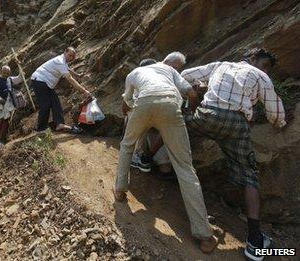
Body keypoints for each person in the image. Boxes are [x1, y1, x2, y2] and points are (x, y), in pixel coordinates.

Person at [181, 48, 286, 260]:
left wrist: (197, 89)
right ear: (252, 58)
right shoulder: (261, 76)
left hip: (207, 115)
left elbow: (185, 75)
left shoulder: (221, 65)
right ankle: (255, 240)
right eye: (264, 64)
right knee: (250, 176)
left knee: (177, 123)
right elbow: (275, 112)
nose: (265, 69)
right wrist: (280, 122)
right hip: (237, 125)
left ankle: (147, 159)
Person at [115, 52, 218, 253]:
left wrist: (134, 114)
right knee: (185, 168)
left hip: (143, 103)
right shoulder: (169, 71)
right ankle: (205, 236)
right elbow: (192, 94)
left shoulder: (134, 72)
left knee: (127, 146)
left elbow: (126, 102)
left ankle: (120, 190)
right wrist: (189, 111)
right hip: (171, 105)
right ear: (166, 63)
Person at [30, 47, 91, 133]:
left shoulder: (63, 61)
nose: (71, 58)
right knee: (45, 105)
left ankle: (59, 124)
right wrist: (84, 91)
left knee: (55, 102)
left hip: (46, 83)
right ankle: (41, 129)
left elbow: (68, 69)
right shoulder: (60, 61)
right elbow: (69, 78)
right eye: (70, 55)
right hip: (39, 81)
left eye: (72, 57)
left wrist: (78, 75)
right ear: (65, 52)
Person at [0, 65, 23, 148]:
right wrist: (0, 99)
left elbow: (19, 79)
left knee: (6, 120)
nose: (6, 74)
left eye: (8, 72)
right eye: (5, 72)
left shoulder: (9, 79)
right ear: (1, 71)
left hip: (8, 104)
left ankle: (2, 138)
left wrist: (21, 71)